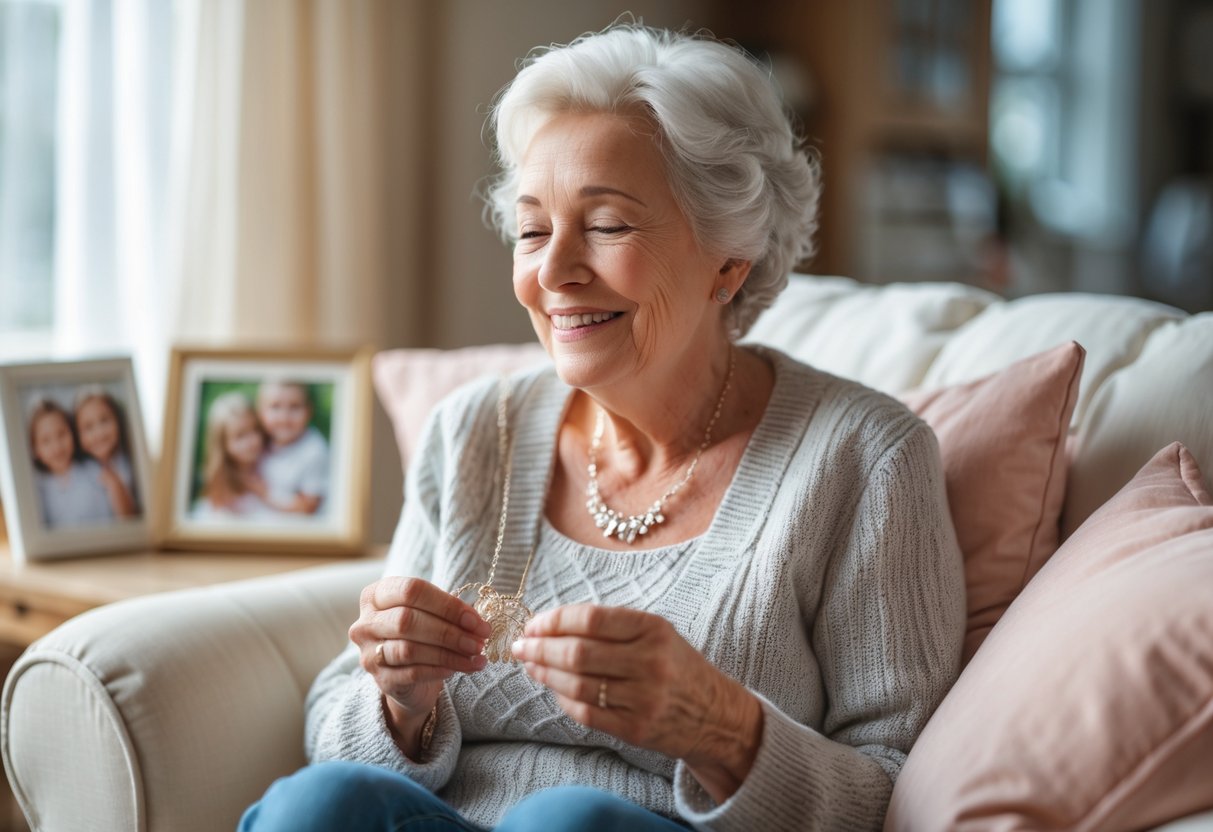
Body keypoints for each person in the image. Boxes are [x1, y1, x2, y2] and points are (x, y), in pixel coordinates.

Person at [242, 24, 965, 831]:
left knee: (566, 824)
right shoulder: (476, 430)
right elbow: (337, 725)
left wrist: (720, 727)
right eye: (531, 229)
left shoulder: (865, 459)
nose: (553, 273)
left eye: (608, 225)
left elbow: (895, 791)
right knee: (320, 802)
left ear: (729, 257)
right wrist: (401, 701)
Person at [28, 398, 113, 529]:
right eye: (46, 441)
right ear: (35, 450)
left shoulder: (95, 471)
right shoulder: (38, 489)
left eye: (61, 434)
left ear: (73, 433)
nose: (56, 446)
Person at [193, 391, 276, 519]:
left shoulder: (271, 463)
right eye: (240, 436)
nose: (253, 440)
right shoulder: (220, 485)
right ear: (223, 444)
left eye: (255, 429)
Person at [255, 380, 330, 516]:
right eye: (275, 407)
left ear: (309, 411)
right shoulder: (258, 439)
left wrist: (261, 492)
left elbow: (308, 506)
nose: (284, 417)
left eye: (294, 407)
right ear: (261, 412)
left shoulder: (314, 450)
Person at [74, 388, 141, 519]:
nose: (99, 433)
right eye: (88, 427)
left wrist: (114, 484)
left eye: (104, 420)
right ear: (77, 436)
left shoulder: (131, 463)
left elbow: (130, 519)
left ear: (118, 420)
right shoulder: (79, 471)